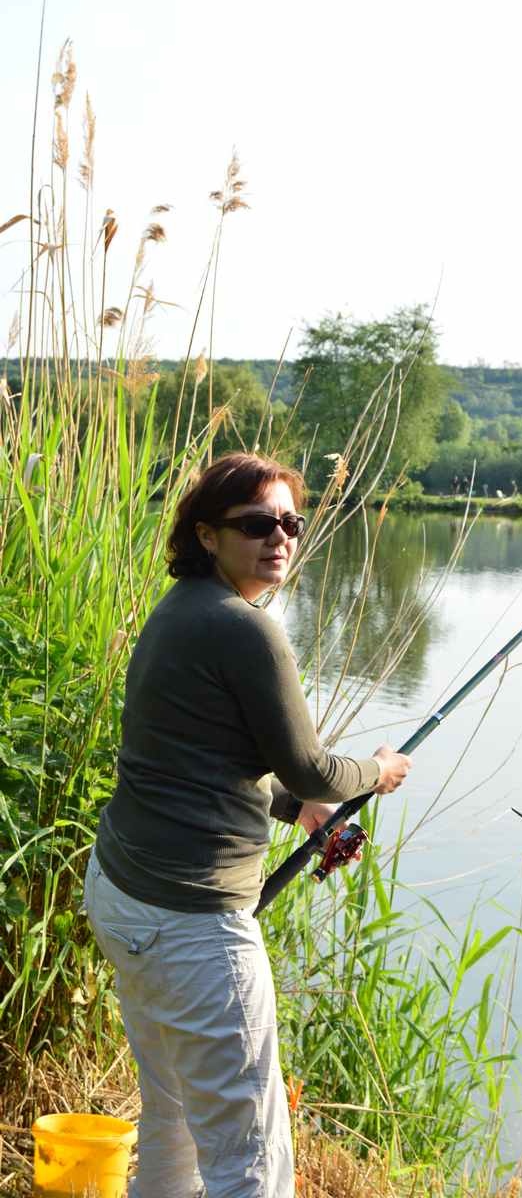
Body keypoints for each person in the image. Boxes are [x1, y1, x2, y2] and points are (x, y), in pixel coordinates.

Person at [82, 452, 412, 1198]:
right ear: (207, 534)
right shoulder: (245, 629)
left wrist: (298, 810)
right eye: (258, 523)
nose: (280, 538)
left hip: (123, 894)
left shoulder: (180, 611)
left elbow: (201, 760)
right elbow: (311, 767)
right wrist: (376, 770)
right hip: (192, 926)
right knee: (251, 1158)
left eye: (291, 522)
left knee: (172, 1112)